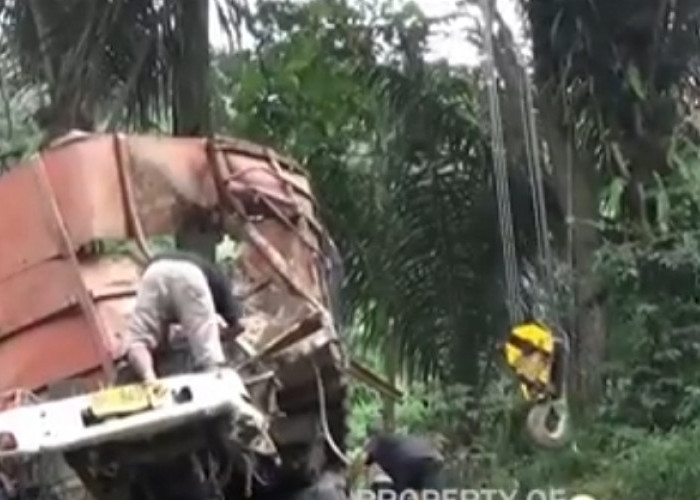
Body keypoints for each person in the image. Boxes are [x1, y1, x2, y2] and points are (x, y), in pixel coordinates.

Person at [124, 249, 245, 382]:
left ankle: (150, 380)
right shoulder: (220, 281)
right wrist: (221, 335)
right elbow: (238, 325)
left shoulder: (208, 270)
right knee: (208, 353)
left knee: (138, 340)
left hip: (154, 271)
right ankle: (215, 383)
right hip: (190, 275)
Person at [363, 429, 445, 494]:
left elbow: (366, 463)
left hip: (410, 463)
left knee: (400, 490)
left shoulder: (378, 445)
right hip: (433, 459)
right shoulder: (393, 441)